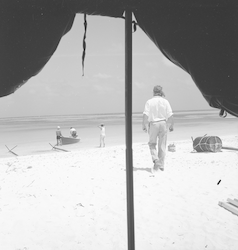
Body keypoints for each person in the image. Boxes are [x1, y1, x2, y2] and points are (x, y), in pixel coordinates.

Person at [142, 85, 174, 173]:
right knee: (162, 145)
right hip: (163, 123)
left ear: (153, 92)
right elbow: (170, 115)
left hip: (153, 124)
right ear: (161, 92)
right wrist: (172, 125)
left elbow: (145, 114)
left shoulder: (149, 102)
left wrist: (143, 125)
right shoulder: (165, 101)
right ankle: (161, 166)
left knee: (152, 144)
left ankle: (156, 160)